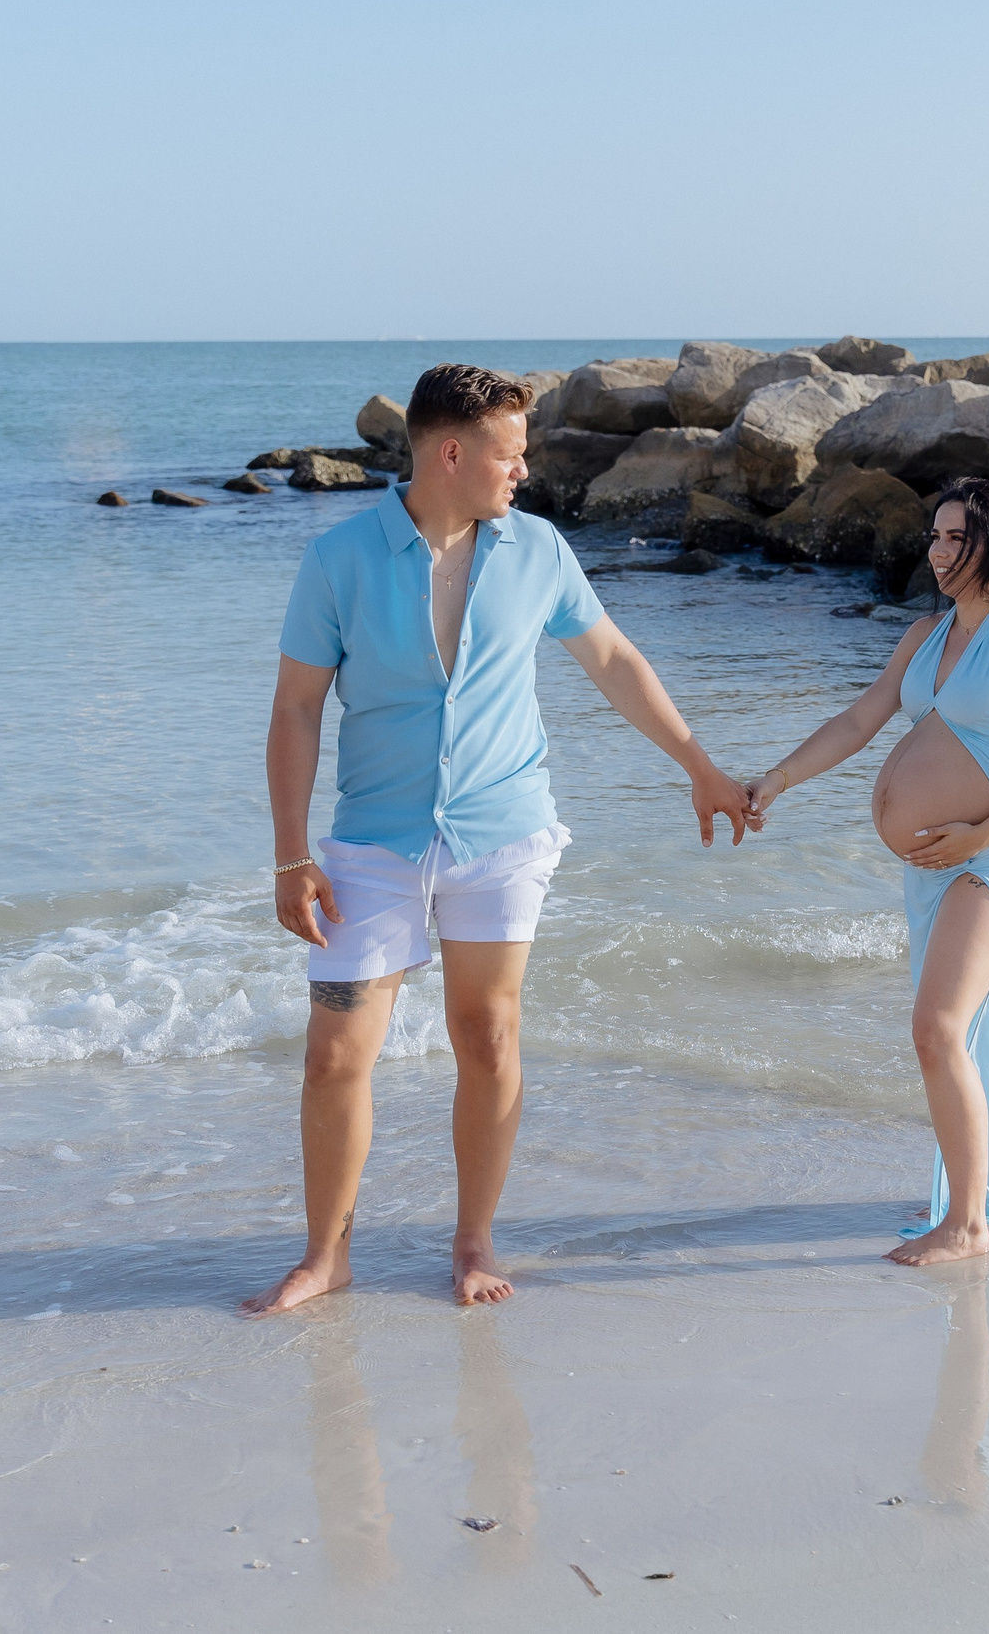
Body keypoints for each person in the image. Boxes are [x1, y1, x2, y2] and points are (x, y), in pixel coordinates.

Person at [242, 363, 752, 1314]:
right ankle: (326, 1254)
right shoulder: (340, 561)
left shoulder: (539, 551)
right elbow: (297, 709)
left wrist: (702, 766)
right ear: (451, 452)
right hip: (373, 843)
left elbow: (614, 660)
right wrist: (289, 851)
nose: (525, 470)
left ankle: (473, 1240)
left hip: (501, 832)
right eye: (512, 453)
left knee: (487, 1034)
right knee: (336, 1054)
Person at [746, 479, 989, 1267]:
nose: (936, 550)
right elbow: (860, 720)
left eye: (954, 537)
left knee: (936, 1028)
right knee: (970, 1032)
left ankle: (967, 1226)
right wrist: (777, 779)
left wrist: (979, 834)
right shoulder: (925, 636)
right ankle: (976, 1192)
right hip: (933, 870)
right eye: (932, 535)